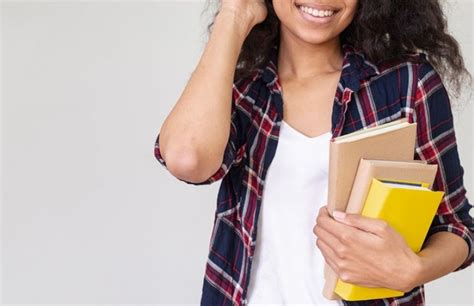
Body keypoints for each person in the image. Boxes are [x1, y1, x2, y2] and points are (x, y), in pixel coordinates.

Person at [153, 0, 474, 305]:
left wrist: (414, 270)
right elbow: (187, 159)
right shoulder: (242, 91)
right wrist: (234, 15)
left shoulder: (406, 83)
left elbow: (456, 226)